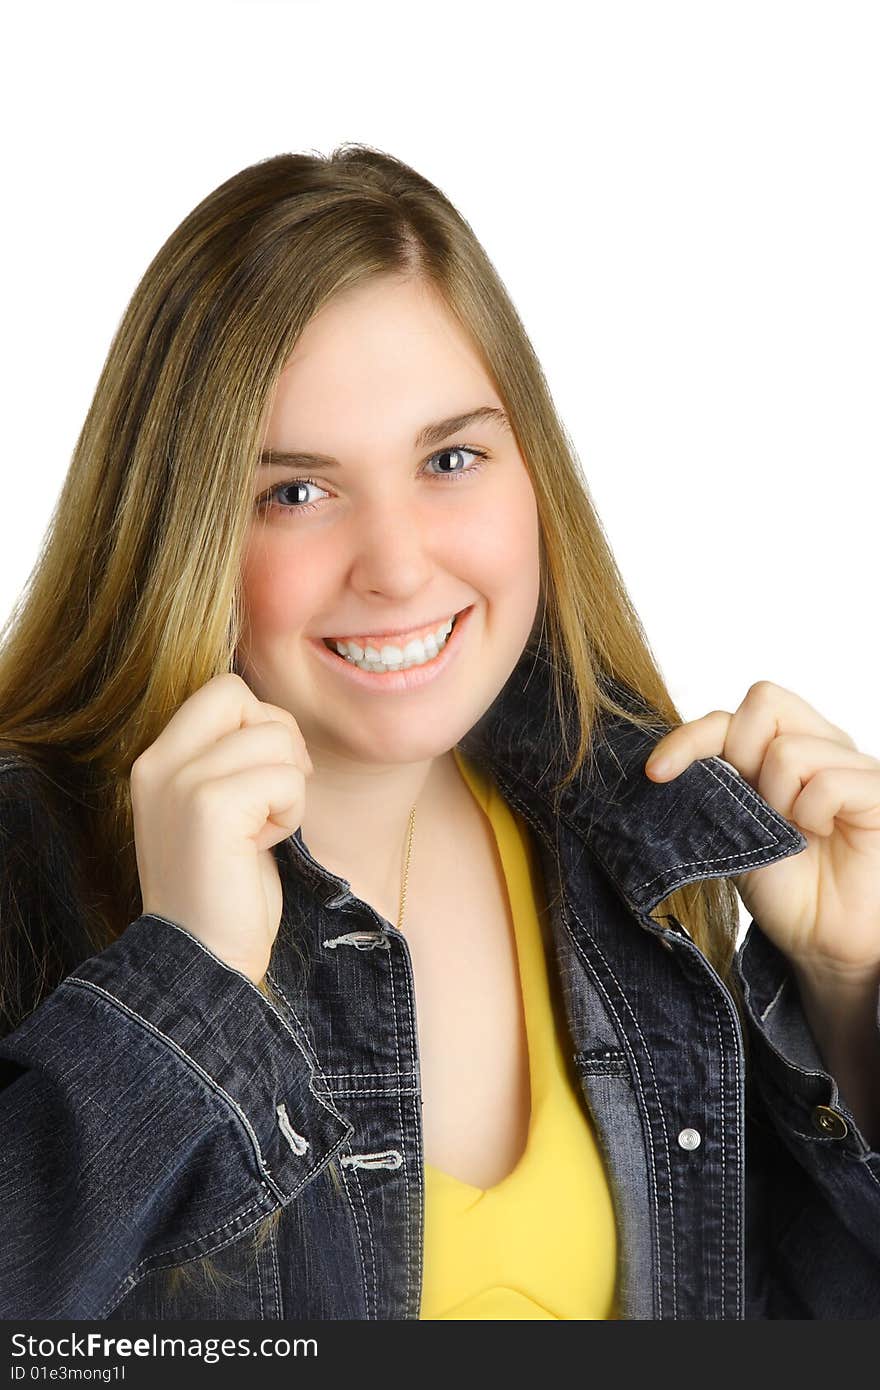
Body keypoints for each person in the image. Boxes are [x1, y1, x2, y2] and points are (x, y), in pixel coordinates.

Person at [0, 145, 878, 1322]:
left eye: (450, 458)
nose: (401, 564)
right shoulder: (26, 858)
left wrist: (844, 1000)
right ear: (179, 527)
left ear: (532, 473)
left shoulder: (623, 843)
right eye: (295, 492)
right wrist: (182, 985)